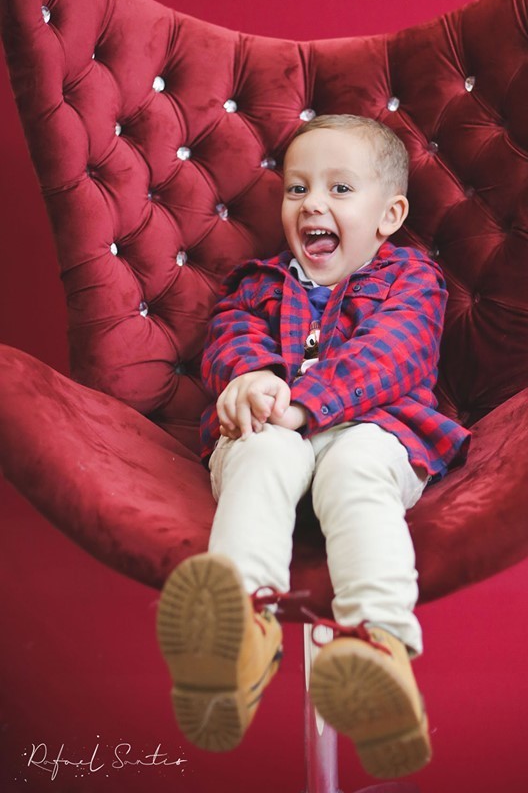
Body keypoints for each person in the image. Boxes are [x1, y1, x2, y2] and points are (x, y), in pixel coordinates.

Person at [156, 114, 470, 779]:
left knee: (356, 468)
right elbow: (230, 341)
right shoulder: (257, 284)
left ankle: (378, 646)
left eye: (339, 189)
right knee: (260, 447)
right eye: (297, 189)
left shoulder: (412, 278)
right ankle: (238, 633)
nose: (312, 204)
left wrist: (304, 404)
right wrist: (249, 382)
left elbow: (393, 355)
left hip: (375, 431)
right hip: (273, 432)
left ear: (389, 215)